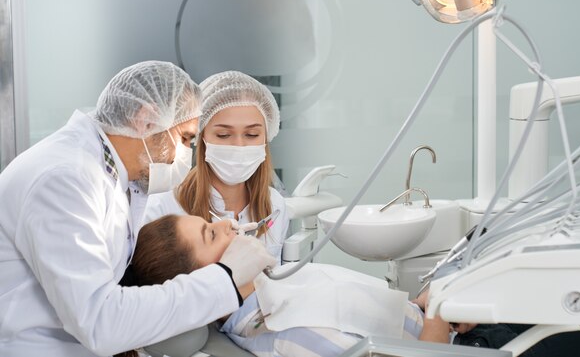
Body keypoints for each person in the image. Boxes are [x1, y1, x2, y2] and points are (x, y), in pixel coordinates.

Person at [0, 61, 275, 357]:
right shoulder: (65, 180)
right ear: (145, 120)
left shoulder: (108, 176)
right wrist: (226, 279)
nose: (185, 155)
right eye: (185, 139)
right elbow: (100, 324)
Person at [125, 214, 458, 357]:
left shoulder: (273, 287)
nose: (228, 224)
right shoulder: (283, 332)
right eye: (211, 234)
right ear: (203, 281)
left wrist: (422, 309)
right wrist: (440, 309)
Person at [143, 70, 289, 262]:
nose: (239, 146)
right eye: (223, 135)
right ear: (202, 138)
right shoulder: (162, 208)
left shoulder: (275, 206)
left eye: (252, 135)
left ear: (265, 138)